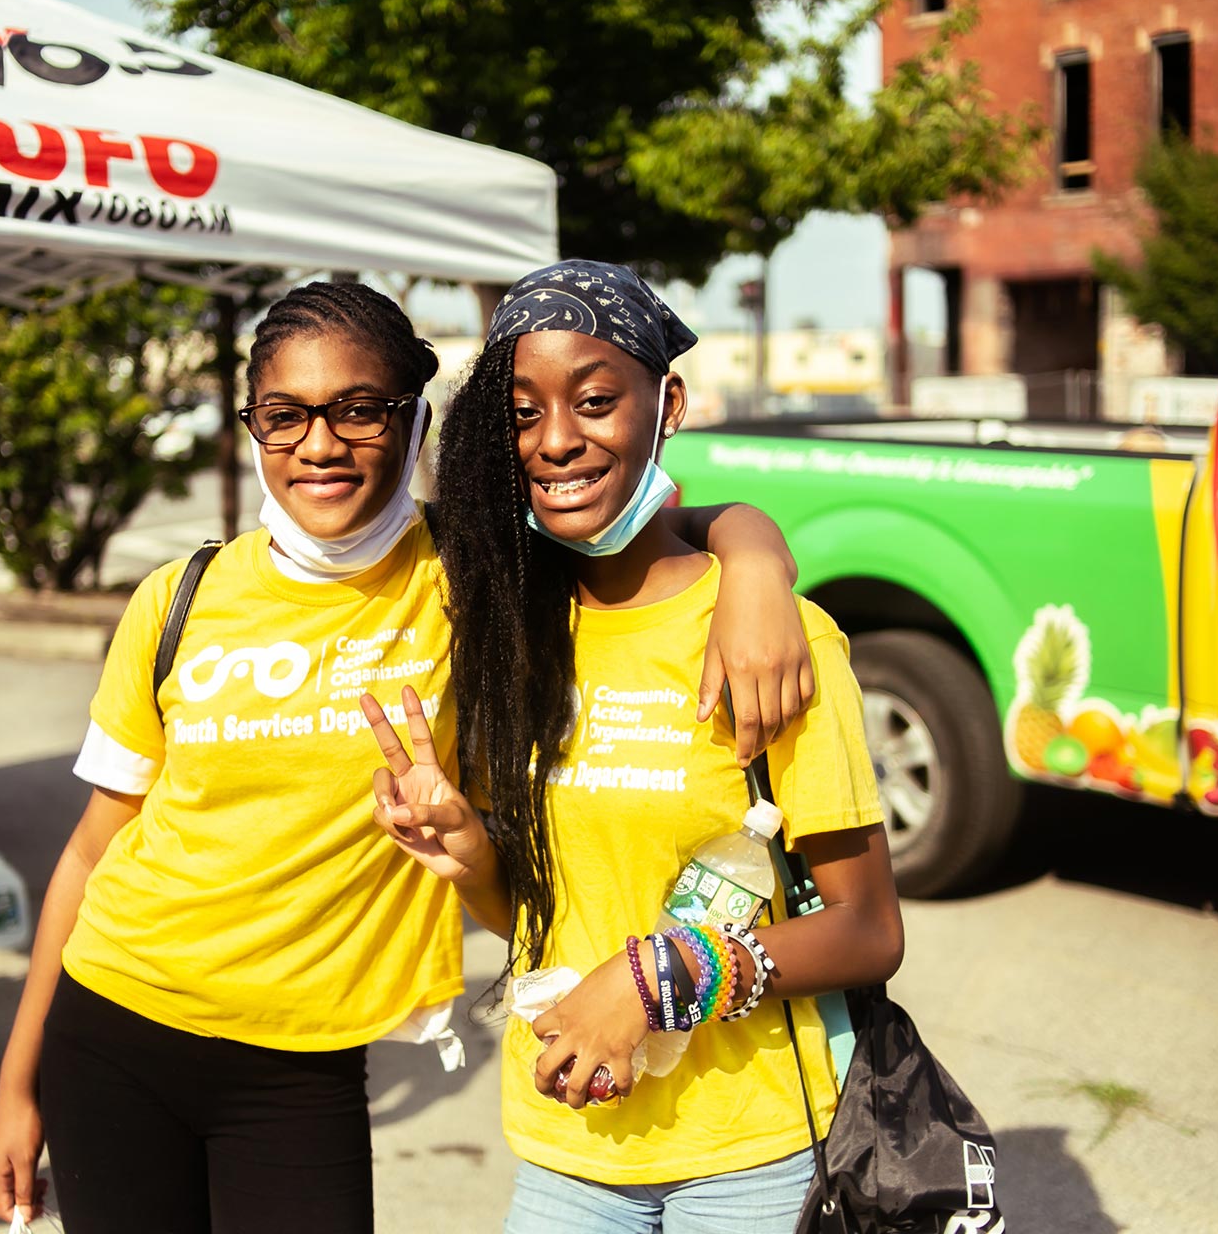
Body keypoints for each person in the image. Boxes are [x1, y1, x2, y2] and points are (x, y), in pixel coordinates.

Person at [0, 280, 816, 1234]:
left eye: (359, 410)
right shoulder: (179, 596)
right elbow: (92, 851)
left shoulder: (474, 571)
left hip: (303, 1065)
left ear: (416, 420)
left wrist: (756, 561)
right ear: (254, 427)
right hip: (109, 1026)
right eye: (284, 415)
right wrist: (17, 1082)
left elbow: (656, 521)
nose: (320, 445)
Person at [364, 260, 906, 1233]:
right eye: (524, 413)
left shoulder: (770, 637)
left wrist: (660, 979)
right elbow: (530, 919)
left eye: (595, 400)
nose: (556, 438)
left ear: (669, 405)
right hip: (567, 1140)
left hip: (747, 1155)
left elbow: (868, 930)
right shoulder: (512, 634)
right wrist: (471, 853)